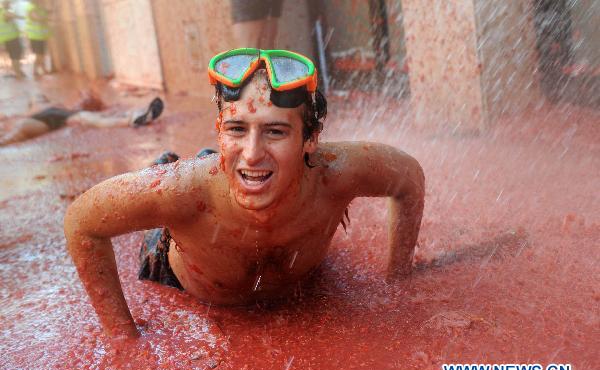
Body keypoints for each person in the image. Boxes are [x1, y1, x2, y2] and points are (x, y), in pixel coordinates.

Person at [64, 48, 425, 338]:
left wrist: (399, 276)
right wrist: (123, 337)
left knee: (248, 168)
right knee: (179, 179)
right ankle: (182, 158)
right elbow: (82, 222)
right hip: (177, 254)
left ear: (310, 139)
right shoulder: (178, 189)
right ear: (219, 130)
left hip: (241, 179)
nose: (253, 150)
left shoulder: (340, 171)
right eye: (236, 129)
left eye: (275, 132)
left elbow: (410, 179)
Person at [0, 95, 164, 146]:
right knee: (95, 120)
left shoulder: (41, 107)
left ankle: (133, 117)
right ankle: (131, 120)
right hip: (48, 120)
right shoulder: (53, 106)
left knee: (11, 138)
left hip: (40, 121)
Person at [24, 0, 49, 76]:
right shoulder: (31, 7)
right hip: (35, 35)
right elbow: (35, 17)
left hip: (41, 35)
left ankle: (42, 69)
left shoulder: (38, 7)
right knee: (39, 54)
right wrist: (47, 18)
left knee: (42, 53)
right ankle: (35, 71)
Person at [0, 0, 24, 78]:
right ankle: (18, 74)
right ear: (6, 4)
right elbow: (15, 16)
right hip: (11, 39)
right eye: (9, 3)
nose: (10, 5)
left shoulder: (3, 12)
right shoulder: (5, 12)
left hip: (9, 39)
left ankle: (18, 71)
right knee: (15, 57)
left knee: (15, 56)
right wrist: (25, 17)